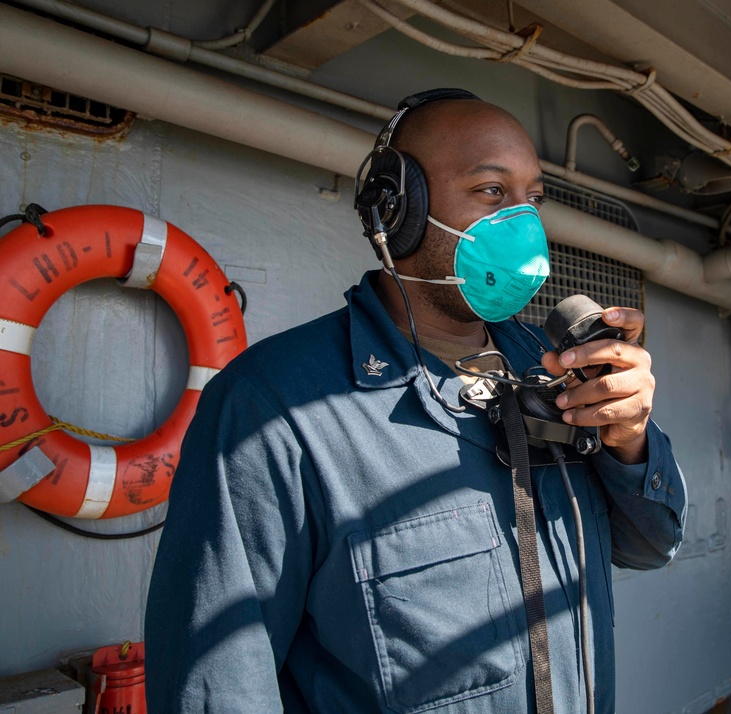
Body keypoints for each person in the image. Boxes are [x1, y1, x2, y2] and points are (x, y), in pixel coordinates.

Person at [145, 88, 687, 713]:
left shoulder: (556, 371)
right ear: (397, 209)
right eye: (491, 191)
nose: (524, 224)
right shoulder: (269, 408)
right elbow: (215, 689)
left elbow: (652, 546)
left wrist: (630, 443)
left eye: (532, 199)